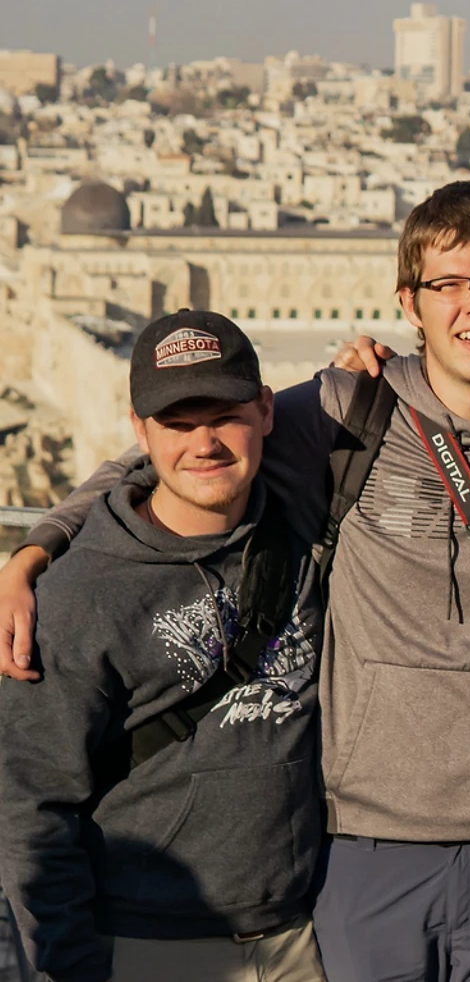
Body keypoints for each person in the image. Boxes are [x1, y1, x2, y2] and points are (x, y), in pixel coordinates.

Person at [0, 182, 470, 982]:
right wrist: (37, 548)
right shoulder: (344, 412)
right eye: (449, 284)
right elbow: (184, 452)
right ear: (409, 302)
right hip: (366, 848)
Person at [0, 311, 326, 982]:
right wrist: (72, 967)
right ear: (140, 431)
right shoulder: (76, 599)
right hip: (147, 944)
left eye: (225, 416)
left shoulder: (303, 529)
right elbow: (30, 804)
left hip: (298, 938)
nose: (204, 442)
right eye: (178, 423)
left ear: (266, 411)